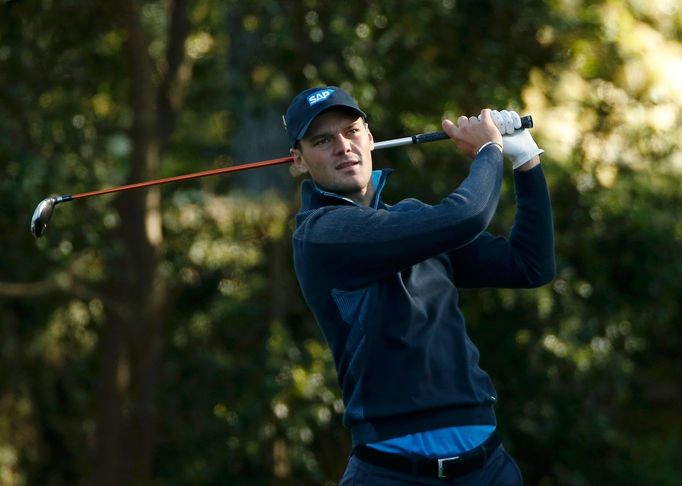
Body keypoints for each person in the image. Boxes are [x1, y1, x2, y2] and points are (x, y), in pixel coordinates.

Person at [284, 86, 555, 484]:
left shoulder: (412, 220)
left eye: (352, 131)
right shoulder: (320, 235)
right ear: (298, 160)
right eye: (323, 140)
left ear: (371, 138)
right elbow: (465, 215)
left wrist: (526, 161)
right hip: (390, 473)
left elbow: (530, 265)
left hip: (487, 469)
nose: (343, 146)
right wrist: (489, 152)